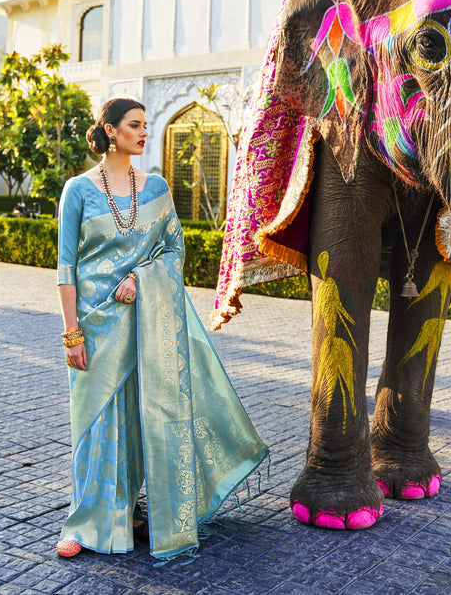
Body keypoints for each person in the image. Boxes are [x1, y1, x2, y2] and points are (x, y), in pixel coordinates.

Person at [56, 97, 268, 563]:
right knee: (94, 426)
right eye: (135, 125)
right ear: (110, 132)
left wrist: (139, 277)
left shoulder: (156, 188)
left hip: (146, 325)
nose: (144, 132)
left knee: (138, 420)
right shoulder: (78, 190)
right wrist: (72, 333)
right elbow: (66, 267)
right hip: (94, 327)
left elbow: (174, 250)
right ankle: (86, 520)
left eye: (147, 125)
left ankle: (128, 511)